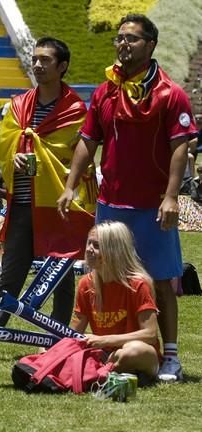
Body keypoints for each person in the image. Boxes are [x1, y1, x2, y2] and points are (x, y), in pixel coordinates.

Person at [57, 14, 198, 382]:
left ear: (150, 45)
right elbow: (89, 141)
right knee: (103, 277)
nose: (123, 45)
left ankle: (170, 357)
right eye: (119, 38)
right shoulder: (106, 90)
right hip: (111, 204)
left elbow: (180, 147)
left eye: (131, 39)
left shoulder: (170, 93)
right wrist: (71, 184)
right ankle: (103, 348)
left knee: (162, 280)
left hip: (152, 208)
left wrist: (171, 197)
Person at [0, 37, 96, 364]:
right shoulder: (19, 107)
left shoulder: (75, 110)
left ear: (62, 67)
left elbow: (78, 158)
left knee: (60, 279)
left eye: (46, 60)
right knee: (11, 275)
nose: (38, 65)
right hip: (23, 205)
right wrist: (15, 156)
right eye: (35, 59)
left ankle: (58, 344)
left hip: (58, 206)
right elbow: (8, 147)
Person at [72, 221, 160, 382]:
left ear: (114, 251)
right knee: (47, 345)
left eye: (97, 245)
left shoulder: (138, 284)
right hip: (103, 353)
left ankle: (93, 370)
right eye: (89, 243)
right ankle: (102, 371)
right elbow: (74, 331)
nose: (89, 249)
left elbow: (150, 334)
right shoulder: (86, 283)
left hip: (140, 354)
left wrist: (105, 340)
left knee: (131, 351)